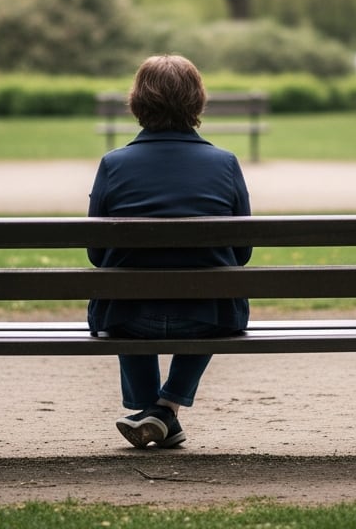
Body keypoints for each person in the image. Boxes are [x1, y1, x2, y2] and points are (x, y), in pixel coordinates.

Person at [87, 54, 252, 449]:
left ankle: (152, 410)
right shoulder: (224, 163)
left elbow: (96, 253)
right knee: (216, 295)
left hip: (129, 316)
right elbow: (242, 253)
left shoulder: (114, 164)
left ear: (137, 102)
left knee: (125, 287)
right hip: (207, 316)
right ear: (197, 101)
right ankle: (164, 410)